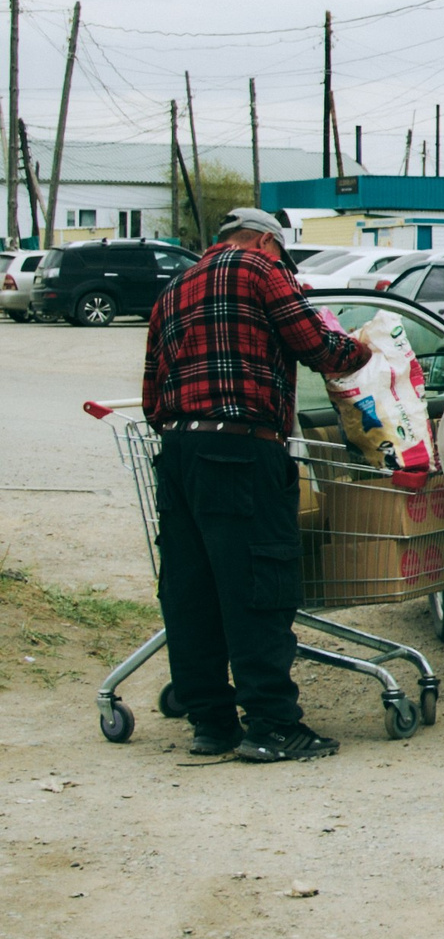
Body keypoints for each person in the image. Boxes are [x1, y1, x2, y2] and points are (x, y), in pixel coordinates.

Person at [142, 206, 372, 761]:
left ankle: (211, 723)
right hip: (241, 450)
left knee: (191, 592)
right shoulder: (258, 268)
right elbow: (319, 347)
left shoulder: (173, 289)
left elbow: (152, 397)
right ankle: (272, 724)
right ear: (267, 241)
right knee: (256, 587)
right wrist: (366, 350)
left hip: (179, 452)